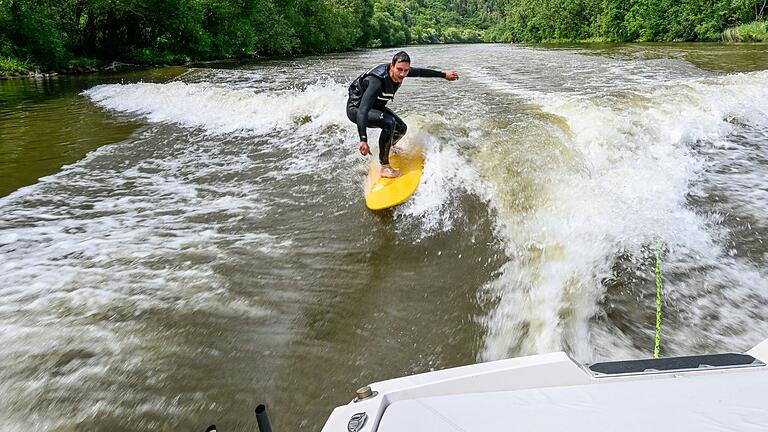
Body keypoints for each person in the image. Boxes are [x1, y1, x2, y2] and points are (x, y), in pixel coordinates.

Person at [346, 51, 459, 178]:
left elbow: (421, 72)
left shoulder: (402, 71)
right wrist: (363, 139)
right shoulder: (376, 81)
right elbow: (363, 110)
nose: (402, 74)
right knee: (389, 123)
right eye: (399, 69)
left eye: (406, 71)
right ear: (391, 66)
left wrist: (444, 75)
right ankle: (384, 167)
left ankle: (388, 149)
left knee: (401, 128)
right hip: (356, 109)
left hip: (374, 107)